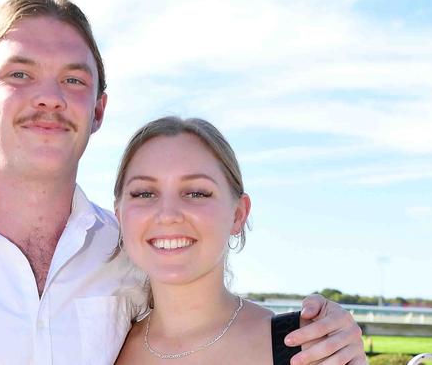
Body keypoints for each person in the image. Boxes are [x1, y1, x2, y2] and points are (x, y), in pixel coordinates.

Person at [0, 0, 363, 364]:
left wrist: (331, 329)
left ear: (98, 109)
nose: (48, 96)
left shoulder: (127, 251)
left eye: (73, 79)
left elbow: (207, 316)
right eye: (19, 74)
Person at [113, 117, 366, 364]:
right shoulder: (104, 346)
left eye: (196, 193)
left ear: (238, 214)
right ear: (119, 215)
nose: (167, 215)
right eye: (144, 193)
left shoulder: (308, 347)